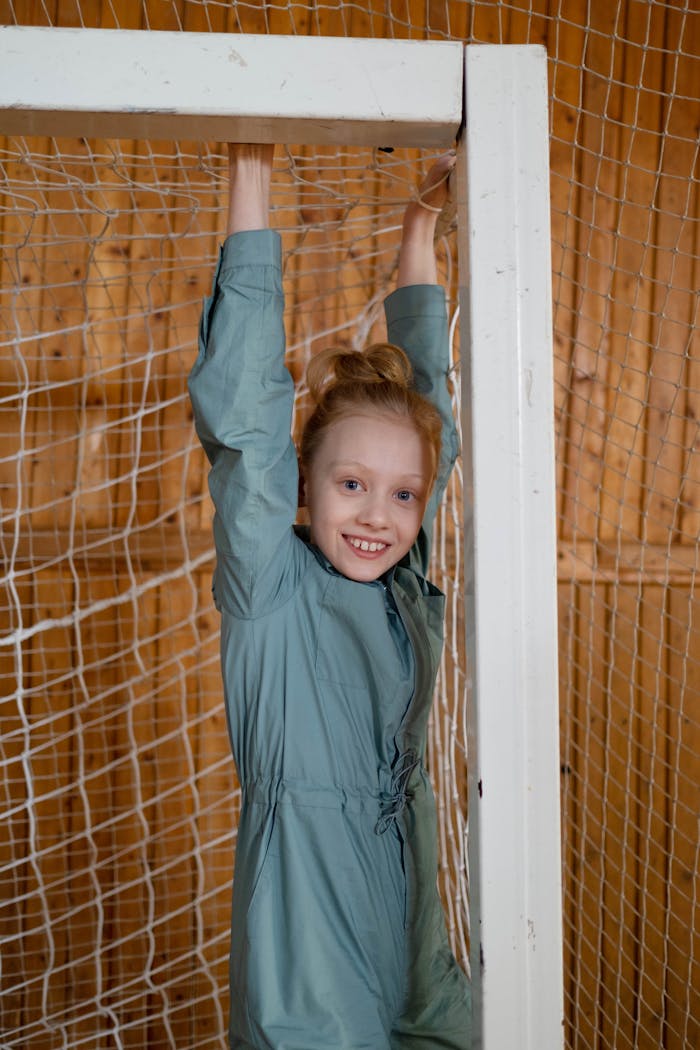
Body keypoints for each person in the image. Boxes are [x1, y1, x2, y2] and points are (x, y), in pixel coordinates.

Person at [188, 143, 471, 1049]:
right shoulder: (271, 581)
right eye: (350, 485)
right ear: (303, 488)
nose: (377, 517)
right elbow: (242, 415)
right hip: (309, 927)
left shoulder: (400, 580)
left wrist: (423, 226)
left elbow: (432, 419)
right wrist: (251, 167)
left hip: (410, 907)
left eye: (401, 495)